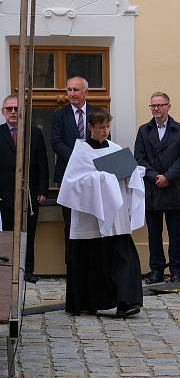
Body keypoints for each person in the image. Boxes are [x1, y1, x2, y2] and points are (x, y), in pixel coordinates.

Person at [57, 107, 145, 317]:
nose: (105, 131)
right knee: (90, 261)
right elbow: (71, 184)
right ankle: (87, 301)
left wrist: (134, 173)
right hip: (90, 219)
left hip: (116, 216)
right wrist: (101, 178)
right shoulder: (81, 152)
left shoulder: (115, 149)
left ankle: (127, 301)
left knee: (123, 257)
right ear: (90, 128)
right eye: (101, 127)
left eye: (107, 127)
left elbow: (127, 174)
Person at [134, 92, 180, 284]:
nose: (156, 109)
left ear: (168, 106)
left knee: (175, 233)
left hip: (173, 188)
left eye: (160, 105)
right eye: (153, 106)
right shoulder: (144, 131)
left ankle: (176, 270)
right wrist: (154, 176)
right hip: (152, 189)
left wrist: (167, 177)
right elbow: (139, 158)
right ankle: (156, 270)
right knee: (154, 233)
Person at [0, 94, 49, 283]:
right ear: (3, 112)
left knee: (28, 234)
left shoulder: (34, 133)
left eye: (16, 108)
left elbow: (42, 164)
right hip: (5, 195)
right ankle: (9, 269)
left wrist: (43, 191)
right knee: (9, 235)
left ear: (24, 111)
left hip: (30, 194)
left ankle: (28, 271)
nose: (13, 112)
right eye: (9, 109)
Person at [51, 76, 93, 263]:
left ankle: (90, 265)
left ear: (85, 92)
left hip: (92, 175)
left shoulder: (96, 113)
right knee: (70, 223)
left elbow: (103, 140)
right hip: (68, 176)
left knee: (91, 222)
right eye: (69, 90)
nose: (72, 93)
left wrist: (88, 160)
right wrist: (79, 159)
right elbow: (56, 143)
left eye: (76, 90)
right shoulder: (59, 115)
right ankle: (72, 266)